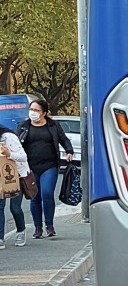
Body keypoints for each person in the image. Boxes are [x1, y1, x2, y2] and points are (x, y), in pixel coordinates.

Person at [16, 99, 74, 239]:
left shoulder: (52, 125)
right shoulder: (24, 126)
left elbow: (63, 139)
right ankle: (37, 228)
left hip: (49, 165)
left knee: (47, 194)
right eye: (31, 109)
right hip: (30, 168)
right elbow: (16, 143)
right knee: (34, 197)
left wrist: (69, 151)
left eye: (36, 110)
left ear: (44, 113)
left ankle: (49, 225)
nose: (33, 113)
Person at [0, 124, 29, 248]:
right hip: (0, 178)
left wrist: (9, 153)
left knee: (15, 208)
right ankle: (0, 238)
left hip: (16, 176)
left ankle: (21, 230)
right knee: (0, 207)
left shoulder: (9, 137)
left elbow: (23, 157)